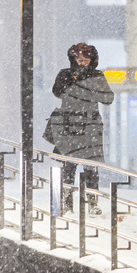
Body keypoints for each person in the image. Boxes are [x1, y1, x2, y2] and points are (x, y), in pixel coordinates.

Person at [51, 43, 114, 214]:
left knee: (91, 166)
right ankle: (66, 200)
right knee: (68, 165)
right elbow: (57, 92)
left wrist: (90, 87)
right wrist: (75, 81)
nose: (82, 64)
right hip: (69, 124)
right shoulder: (65, 74)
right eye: (79, 60)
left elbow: (108, 98)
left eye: (86, 61)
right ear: (73, 59)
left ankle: (92, 202)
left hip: (90, 126)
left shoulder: (97, 75)